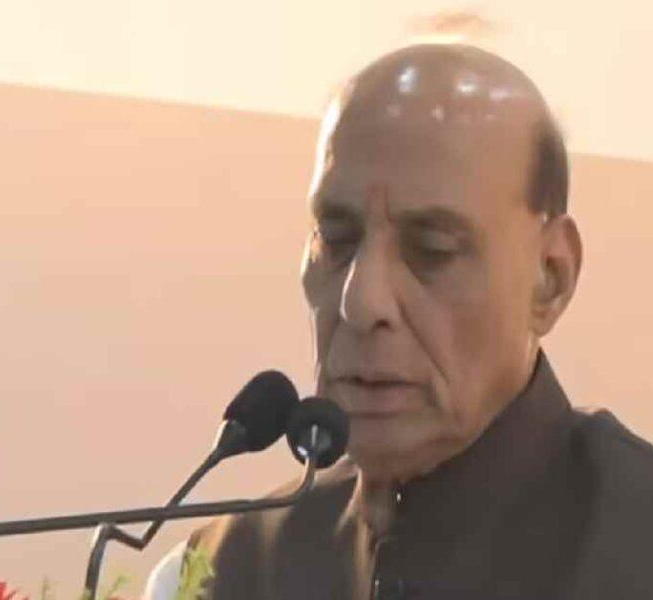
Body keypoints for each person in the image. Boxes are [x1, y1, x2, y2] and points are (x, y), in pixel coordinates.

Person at [143, 42, 653, 600]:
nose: (360, 303)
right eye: (336, 239)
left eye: (432, 250)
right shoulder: (221, 570)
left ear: (550, 277)